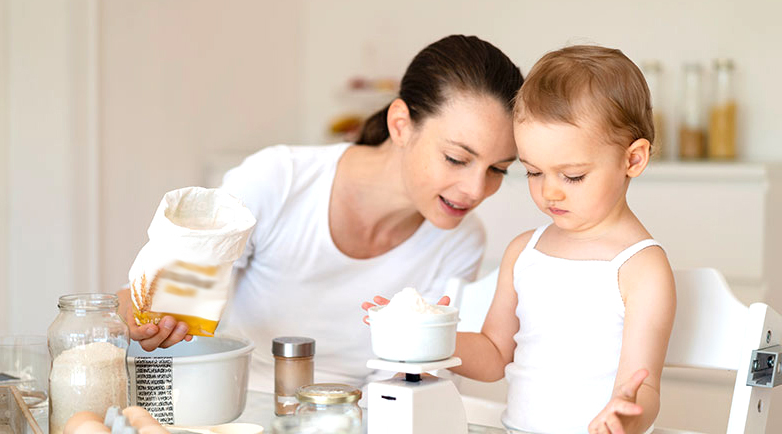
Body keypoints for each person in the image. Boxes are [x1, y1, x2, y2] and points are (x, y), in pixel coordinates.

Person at [118, 34, 524, 391]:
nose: (476, 189)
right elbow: (153, 295)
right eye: (456, 158)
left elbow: (408, 374)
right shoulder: (281, 180)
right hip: (236, 405)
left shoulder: (461, 238)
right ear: (401, 124)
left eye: (498, 170)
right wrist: (147, 319)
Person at [364, 45, 675, 434]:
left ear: (633, 160)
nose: (550, 193)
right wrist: (424, 330)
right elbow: (495, 355)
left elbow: (643, 386)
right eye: (533, 172)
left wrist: (629, 414)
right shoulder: (524, 251)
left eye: (572, 176)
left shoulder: (640, 267)